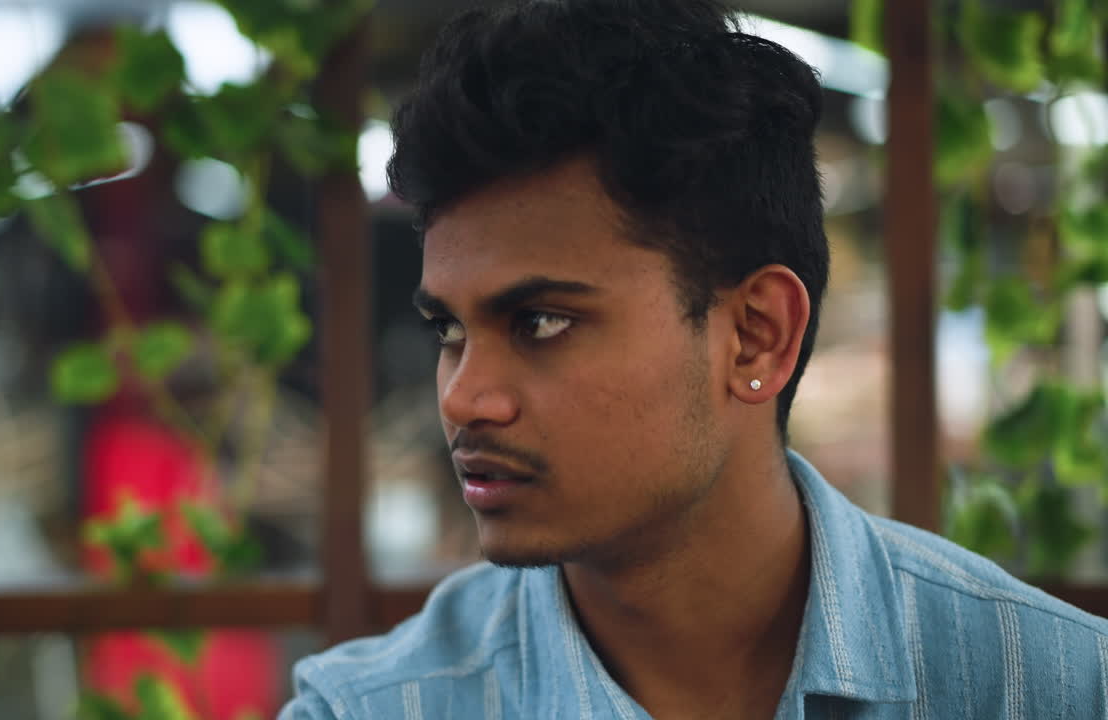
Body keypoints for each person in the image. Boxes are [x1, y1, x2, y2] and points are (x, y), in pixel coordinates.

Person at [280, 0, 1108, 717]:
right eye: (448, 331)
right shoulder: (371, 707)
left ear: (757, 334)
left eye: (539, 322)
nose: (465, 400)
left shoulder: (1047, 687)